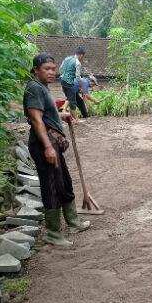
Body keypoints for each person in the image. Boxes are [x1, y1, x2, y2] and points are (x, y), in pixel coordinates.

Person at [23, 53, 91, 246]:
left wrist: (62, 115)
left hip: (51, 141)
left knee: (64, 182)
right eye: (47, 69)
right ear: (36, 70)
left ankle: (73, 221)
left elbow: (45, 115)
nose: (52, 72)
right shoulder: (34, 88)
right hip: (44, 143)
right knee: (51, 185)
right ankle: (53, 232)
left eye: (53, 69)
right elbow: (36, 120)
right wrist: (47, 147)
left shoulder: (42, 88)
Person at [59, 47, 87, 122]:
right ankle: (76, 120)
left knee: (74, 99)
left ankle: (74, 118)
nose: (83, 59)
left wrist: (64, 76)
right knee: (72, 101)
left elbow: (60, 69)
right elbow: (78, 77)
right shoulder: (77, 63)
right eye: (83, 57)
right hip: (68, 83)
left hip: (62, 80)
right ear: (81, 55)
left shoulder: (67, 58)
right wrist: (81, 87)